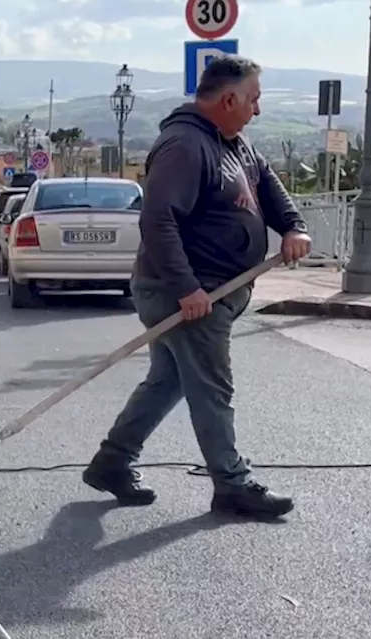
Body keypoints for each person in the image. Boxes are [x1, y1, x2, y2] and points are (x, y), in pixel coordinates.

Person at [80, 55, 312, 519]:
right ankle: (232, 484)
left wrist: (292, 226)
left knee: (167, 382)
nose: (257, 110)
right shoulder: (185, 145)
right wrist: (186, 288)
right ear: (228, 99)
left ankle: (112, 462)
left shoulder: (234, 142)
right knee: (211, 386)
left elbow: (268, 184)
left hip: (211, 291)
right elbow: (158, 218)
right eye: (253, 100)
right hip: (186, 294)